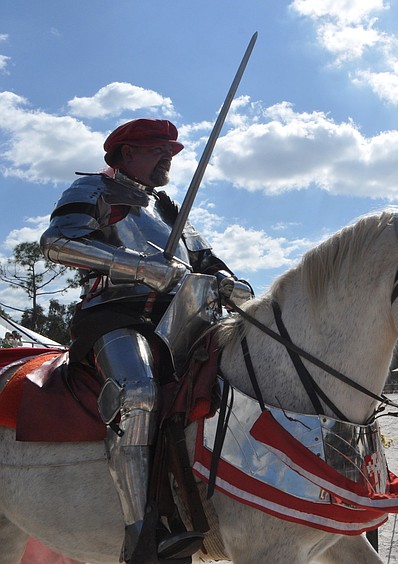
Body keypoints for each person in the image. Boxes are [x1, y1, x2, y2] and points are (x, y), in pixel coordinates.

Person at [40, 118, 252, 564]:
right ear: (127, 152)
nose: (168, 160)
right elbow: (58, 242)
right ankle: (142, 532)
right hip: (117, 315)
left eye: (171, 153)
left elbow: (207, 261)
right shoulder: (96, 190)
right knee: (136, 393)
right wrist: (138, 267)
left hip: (184, 321)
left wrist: (232, 283)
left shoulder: (168, 209)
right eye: (158, 150)